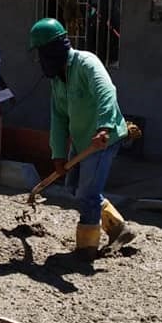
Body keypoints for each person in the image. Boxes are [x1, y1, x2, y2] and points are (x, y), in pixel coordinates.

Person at [29, 18, 137, 258]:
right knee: (76, 189)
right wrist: (57, 153)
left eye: (40, 53)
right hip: (82, 142)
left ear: (52, 50)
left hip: (103, 139)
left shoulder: (86, 63)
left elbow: (106, 91)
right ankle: (119, 227)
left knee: (87, 194)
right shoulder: (57, 81)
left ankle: (86, 248)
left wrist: (106, 126)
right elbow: (58, 118)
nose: (39, 60)